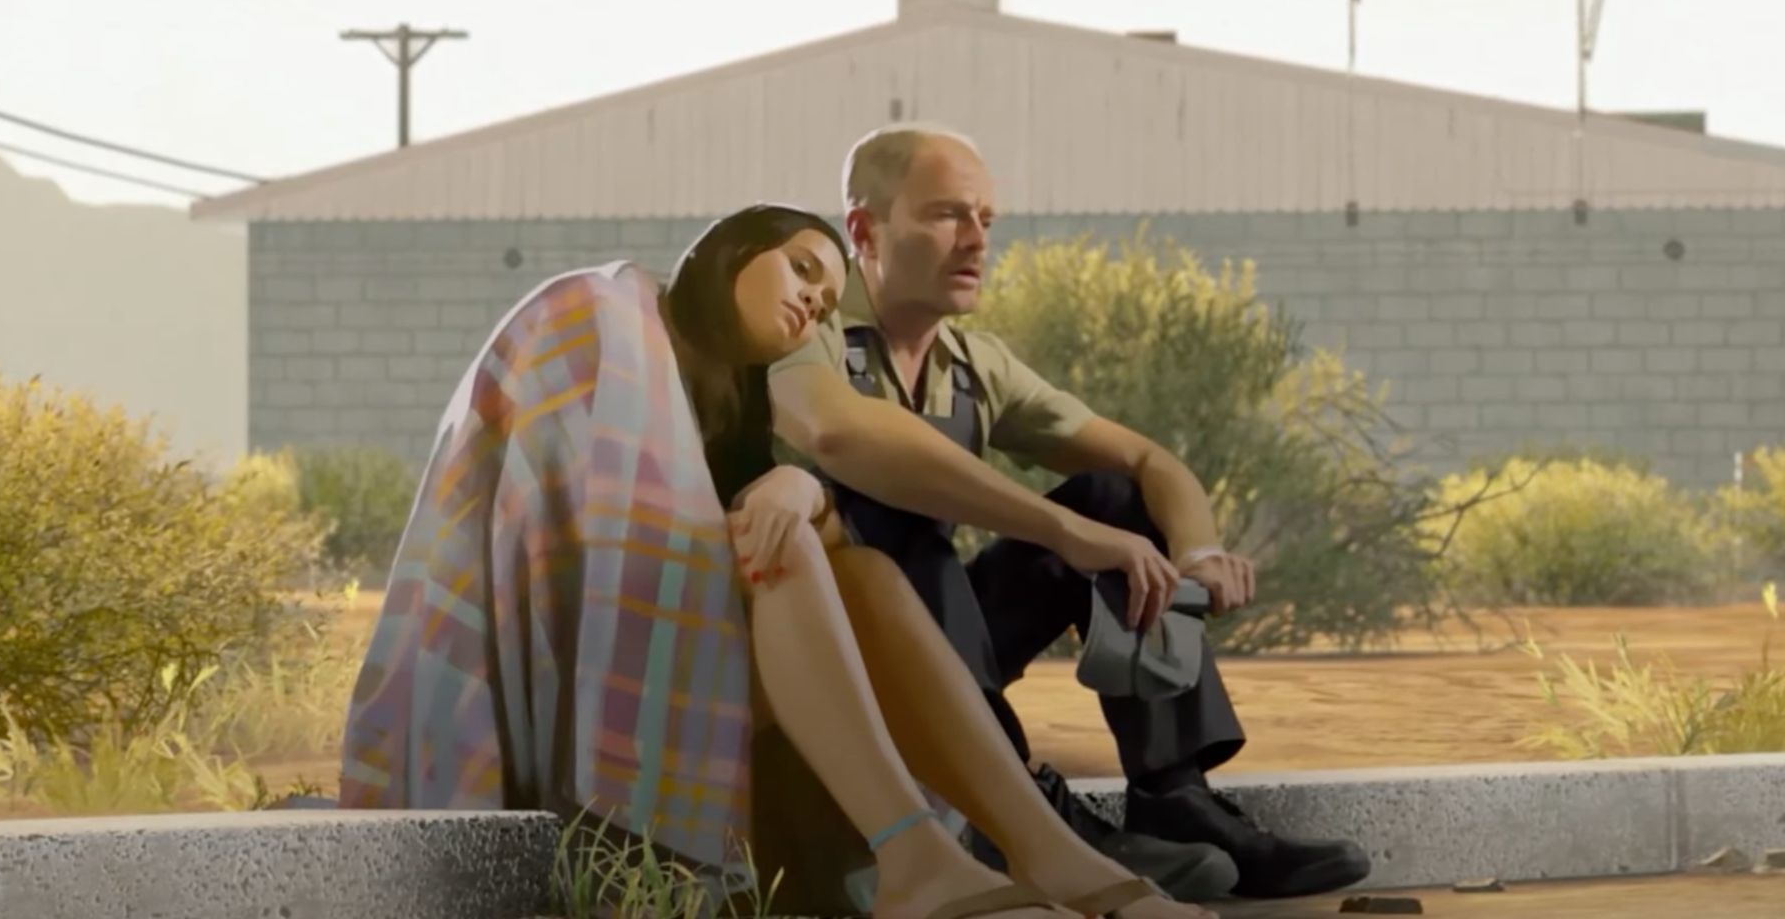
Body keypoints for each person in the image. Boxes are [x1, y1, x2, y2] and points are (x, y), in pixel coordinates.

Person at [336, 203, 1218, 919]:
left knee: (853, 565)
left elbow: (724, 533)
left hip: (691, 667)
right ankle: (920, 853)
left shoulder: (737, 397)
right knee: (795, 546)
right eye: (802, 268)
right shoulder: (595, 312)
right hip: (561, 678)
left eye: (828, 300)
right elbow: (594, 542)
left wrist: (802, 493)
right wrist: (798, 506)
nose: (813, 304)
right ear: (732, 245)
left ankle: (1046, 855)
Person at [764, 124, 1375, 903]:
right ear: (864, 229)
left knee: (1114, 502)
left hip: (946, 648)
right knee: (900, 528)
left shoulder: (974, 366)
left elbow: (1150, 464)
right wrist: (1060, 530)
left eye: (986, 220)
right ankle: (1010, 803)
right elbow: (841, 436)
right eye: (947, 215)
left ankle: (1173, 796)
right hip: (829, 653)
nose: (975, 240)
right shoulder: (800, 324)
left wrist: (1195, 553)